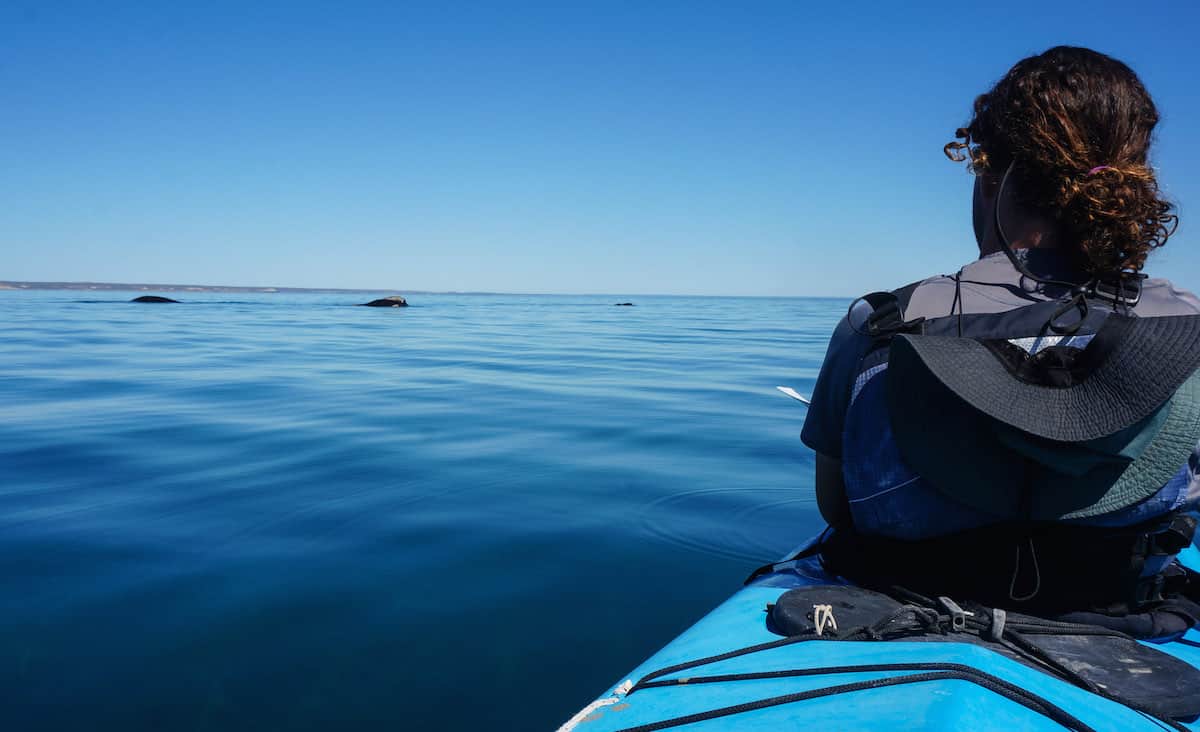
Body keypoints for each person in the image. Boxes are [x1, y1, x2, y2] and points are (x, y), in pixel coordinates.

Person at [799, 46, 1200, 635]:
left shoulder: (880, 322)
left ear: (990, 172)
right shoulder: (1188, 326)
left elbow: (838, 507)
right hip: (1124, 620)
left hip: (908, 604)